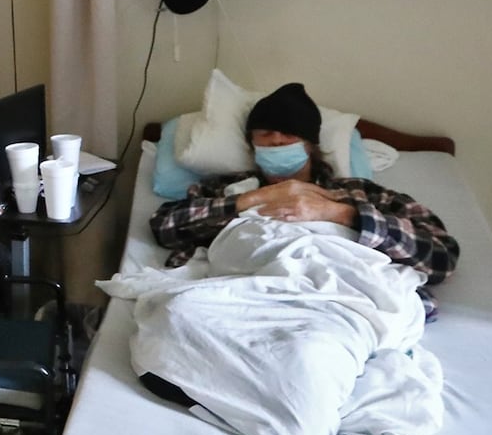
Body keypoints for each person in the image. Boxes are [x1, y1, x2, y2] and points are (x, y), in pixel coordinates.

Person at [150, 82, 459, 319]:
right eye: (266, 134)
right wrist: (252, 199)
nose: (277, 141)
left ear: (311, 144)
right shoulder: (225, 189)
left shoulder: (360, 193)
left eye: (289, 135)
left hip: (337, 302)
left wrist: (343, 215)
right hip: (242, 296)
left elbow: (442, 257)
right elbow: (165, 227)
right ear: (251, 144)